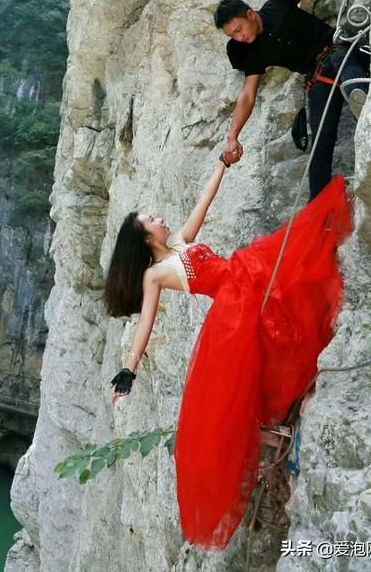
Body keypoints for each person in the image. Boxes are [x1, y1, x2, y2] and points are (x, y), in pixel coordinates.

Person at [105, 156, 352, 549]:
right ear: (145, 236)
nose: (160, 218)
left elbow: (205, 199)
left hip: (242, 281)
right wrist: (129, 369)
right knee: (272, 333)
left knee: (291, 288)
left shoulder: (182, 242)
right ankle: (274, 421)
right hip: (232, 307)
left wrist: (222, 164)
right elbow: (145, 323)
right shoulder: (154, 274)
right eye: (152, 218)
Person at [214, 0, 371, 199]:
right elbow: (248, 94)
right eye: (233, 35)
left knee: (343, 64)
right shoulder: (249, 52)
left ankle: (361, 96)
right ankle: (319, 211)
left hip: (339, 49)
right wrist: (232, 135)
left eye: (238, 29)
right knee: (320, 143)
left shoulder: (279, 3)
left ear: (250, 14)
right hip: (317, 77)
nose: (239, 38)